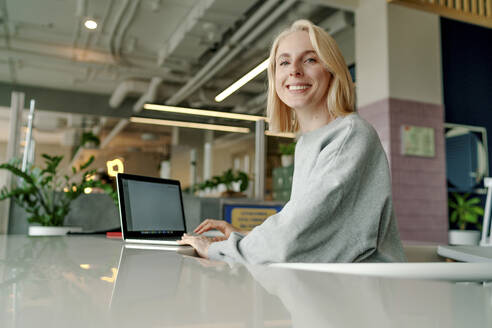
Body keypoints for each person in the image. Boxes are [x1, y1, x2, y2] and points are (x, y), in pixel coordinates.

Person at [179, 19, 406, 264]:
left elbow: (294, 239)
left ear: (331, 70)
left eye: (310, 59)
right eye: (284, 62)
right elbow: (311, 228)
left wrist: (216, 249)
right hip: (333, 287)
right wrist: (243, 236)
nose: (294, 71)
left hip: (361, 293)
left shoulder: (349, 135)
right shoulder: (307, 143)